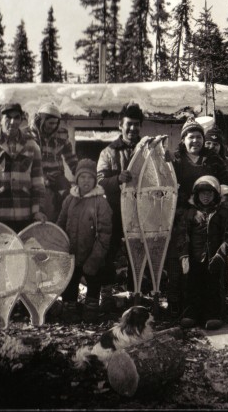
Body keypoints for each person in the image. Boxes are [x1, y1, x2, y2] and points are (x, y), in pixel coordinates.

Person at [166, 116, 228, 317]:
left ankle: (216, 305)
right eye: (190, 137)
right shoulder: (176, 160)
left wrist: (222, 205)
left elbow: (226, 183)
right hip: (184, 215)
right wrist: (188, 210)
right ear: (183, 139)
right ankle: (181, 304)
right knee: (184, 260)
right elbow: (171, 188)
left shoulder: (213, 158)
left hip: (211, 213)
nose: (195, 141)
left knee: (215, 260)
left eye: (198, 137)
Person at [96, 102, 144, 311]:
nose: (133, 129)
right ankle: (105, 295)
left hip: (141, 211)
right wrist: (117, 179)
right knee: (109, 252)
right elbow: (99, 181)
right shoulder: (109, 152)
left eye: (136, 125)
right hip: (114, 211)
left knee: (138, 251)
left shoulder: (147, 150)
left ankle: (136, 294)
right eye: (129, 124)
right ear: (120, 125)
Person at [0, 102, 47, 233]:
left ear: (21, 120)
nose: (12, 122)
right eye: (8, 117)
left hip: (25, 217)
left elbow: (38, 182)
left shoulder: (32, 145)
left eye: (17, 117)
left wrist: (37, 211)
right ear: (0, 119)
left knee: (23, 253)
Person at [178, 176, 228, 331]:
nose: (206, 197)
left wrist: (222, 253)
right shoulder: (190, 213)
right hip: (195, 257)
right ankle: (191, 314)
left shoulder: (222, 213)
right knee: (193, 285)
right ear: (196, 195)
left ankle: (213, 315)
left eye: (209, 194)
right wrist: (184, 255)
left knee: (213, 286)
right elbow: (183, 235)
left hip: (215, 258)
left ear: (215, 195)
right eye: (202, 193)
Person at [57, 159, 112, 323]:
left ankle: (91, 309)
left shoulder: (100, 202)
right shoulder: (69, 200)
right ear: (77, 179)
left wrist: (94, 259)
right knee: (70, 283)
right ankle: (69, 309)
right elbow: (60, 225)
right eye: (82, 177)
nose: (86, 181)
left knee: (94, 281)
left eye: (89, 177)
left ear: (95, 180)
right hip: (71, 254)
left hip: (92, 254)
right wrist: (61, 249)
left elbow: (105, 234)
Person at [29, 103, 78, 222]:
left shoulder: (62, 134)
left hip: (57, 175)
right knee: (43, 199)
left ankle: (63, 224)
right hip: (36, 175)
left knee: (68, 194)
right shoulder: (29, 135)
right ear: (41, 120)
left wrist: (80, 173)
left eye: (56, 123)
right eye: (50, 123)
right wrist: (42, 177)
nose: (53, 126)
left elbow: (70, 157)